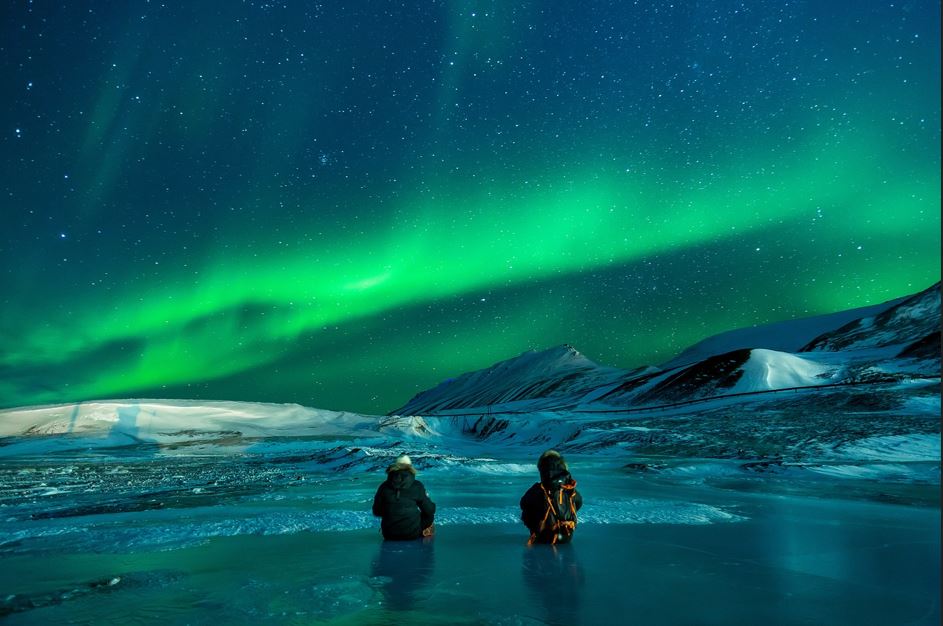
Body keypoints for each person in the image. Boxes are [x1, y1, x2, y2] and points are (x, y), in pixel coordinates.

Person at [520, 449, 582, 545]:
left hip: (544, 538)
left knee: (528, 507)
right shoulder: (569, 488)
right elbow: (579, 502)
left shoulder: (537, 490)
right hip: (566, 537)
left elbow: (523, 503)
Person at [372, 455, 436, 541]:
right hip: (412, 534)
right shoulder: (417, 486)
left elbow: (377, 511)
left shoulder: (384, 486)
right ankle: (425, 532)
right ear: (410, 467)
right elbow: (430, 510)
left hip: (389, 534)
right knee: (429, 515)